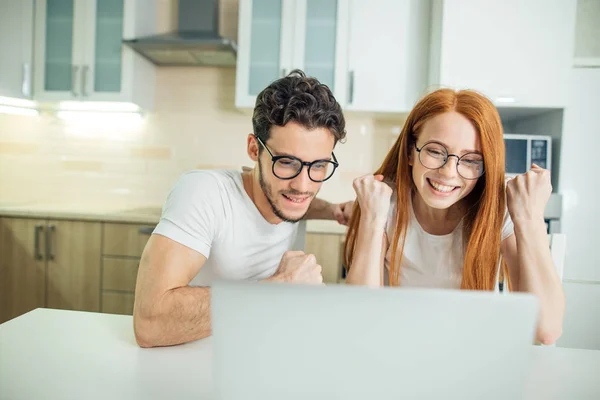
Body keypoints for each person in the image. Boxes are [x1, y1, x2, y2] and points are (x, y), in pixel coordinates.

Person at [134, 70, 353, 348]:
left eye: (318, 165)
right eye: (286, 162)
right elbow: (149, 323)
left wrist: (334, 210)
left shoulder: (287, 193)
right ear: (254, 149)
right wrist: (280, 286)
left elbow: (300, 202)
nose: (302, 184)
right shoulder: (204, 193)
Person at [343, 88, 565, 345]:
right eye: (435, 151)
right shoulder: (384, 206)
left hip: (472, 354)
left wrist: (530, 218)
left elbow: (546, 330)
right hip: (399, 348)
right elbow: (359, 319)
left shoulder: (496, 213)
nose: (449, 172)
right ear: (410, 152)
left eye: (471, 160)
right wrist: (371, 217)